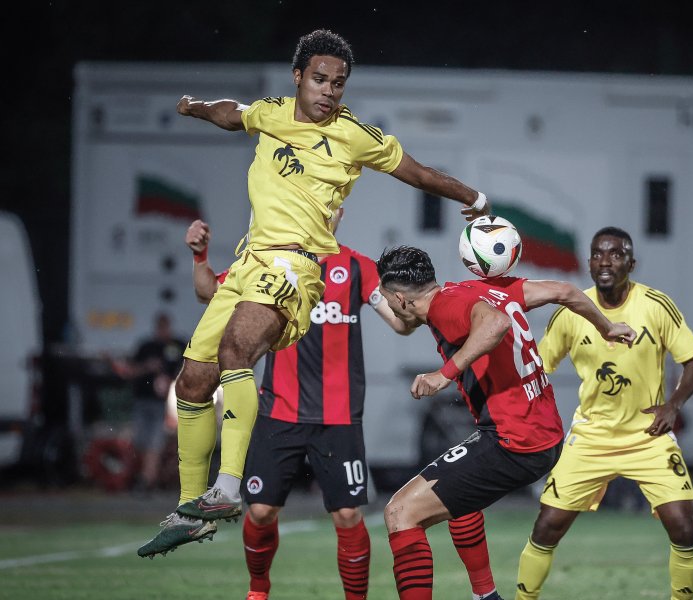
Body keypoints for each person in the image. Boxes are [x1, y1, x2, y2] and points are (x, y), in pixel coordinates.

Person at [138, 28, 490, 558]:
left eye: (338, 83)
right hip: (249, 260)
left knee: (236, 351)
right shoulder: (272, 113)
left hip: (297, 266)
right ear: (298, 76)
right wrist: (194, 107)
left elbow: (416, 173)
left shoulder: (353, 135)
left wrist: (474, 197)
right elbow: (232, 114)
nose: (329, 91)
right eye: (320, 80)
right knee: (191, 383)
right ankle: (191, 510)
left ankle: (226, 488)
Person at [185, 217, 504, 600]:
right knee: (261, 512)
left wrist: (416, 306)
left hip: (339, 417)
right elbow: (207, 292)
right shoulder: (266, 263)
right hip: (279, 411)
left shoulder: (356, 267)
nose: (326, 213)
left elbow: (400, 324)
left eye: (331, 206)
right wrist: (200, 255)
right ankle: (258, 591)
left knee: (348, 515)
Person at [375, 245, 637, 600]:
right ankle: (486, 596)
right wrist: (607, 327)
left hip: (513, 441)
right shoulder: (477, 289)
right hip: (542, 433)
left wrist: (443, 374)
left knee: (400, 512)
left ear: (400, 298)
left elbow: (495, 324)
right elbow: (565, 291)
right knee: (455, 494)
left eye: (388, 299)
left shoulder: (445, 308)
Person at [513, 227, 693, 600]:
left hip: (648, 436)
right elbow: (536, 368)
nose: (606, 261)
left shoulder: (655, 305)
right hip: (591, 437)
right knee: (547, 527)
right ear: (589, 263)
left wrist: (673, 404)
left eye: (616, 254)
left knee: (684, 526)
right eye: (598, 254)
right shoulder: (572, 311)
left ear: (631, 264)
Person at [111, 312, 187, 494]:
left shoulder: (177, 346)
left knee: (155, 441)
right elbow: (129, 371)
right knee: (141, 441)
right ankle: (146, 477)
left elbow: (186, 367)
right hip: (142, 400)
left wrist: (170, 380)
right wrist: (147, 366)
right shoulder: (146, 347)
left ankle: (147, 479)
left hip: (163, 404)